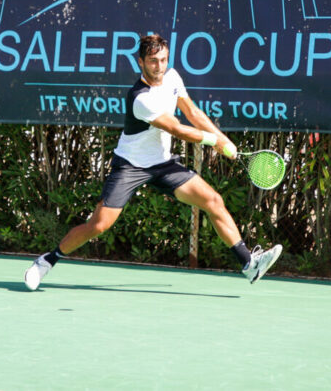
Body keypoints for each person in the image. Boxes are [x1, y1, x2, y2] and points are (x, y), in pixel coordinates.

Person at [24, 33, 282, 290]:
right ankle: (47, 260)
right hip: (131, 165)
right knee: (99, 225)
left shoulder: (172, 76)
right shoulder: (140, 98)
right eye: (153, 61)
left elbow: (191, 111)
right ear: (140, 62)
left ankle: (249, 264)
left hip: (162, 164)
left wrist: (223, 138)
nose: (159, 66)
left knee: (213, 200)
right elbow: (177, 129)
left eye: (163, 59)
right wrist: (215, 142)